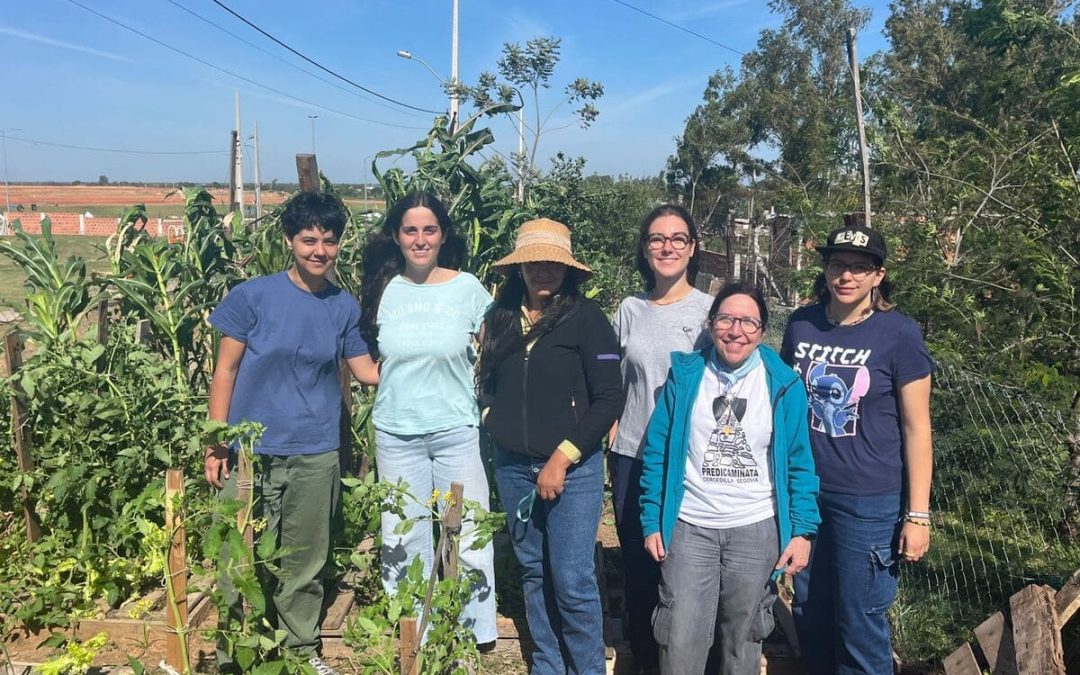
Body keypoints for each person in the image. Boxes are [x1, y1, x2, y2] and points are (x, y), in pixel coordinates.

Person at [205, 191, 380, 675]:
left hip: (315, 450)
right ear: (289, 241)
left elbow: (366, 371)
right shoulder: (253, 297)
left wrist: (434, 356)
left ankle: (302, 652)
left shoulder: (342, 306)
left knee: (305, 560)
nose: (319, 251)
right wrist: (216, 441)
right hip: (249, 451)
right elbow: (225, 371)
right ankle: (235, 655)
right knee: (237, 558)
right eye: (308, 240)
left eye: (329, 241)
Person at [640, 282, 821, 675]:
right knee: (680, 638)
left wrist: (803, 531)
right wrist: (652, 517)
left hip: (756, 531)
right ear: (711, 323)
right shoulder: (686, 376)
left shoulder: (784, 385)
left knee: (743, 641)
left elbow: (798, 462)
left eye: (748, 322)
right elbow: (657, 451)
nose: (736, 330)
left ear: (761, 330)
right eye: (726, 319)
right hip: (689, 527)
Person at [781, 224, 934, 675]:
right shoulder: (801, 324)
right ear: (825, 270)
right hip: (806, 494)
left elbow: (917, 427)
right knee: (810, 612)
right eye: (837, 264)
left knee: (859, 622)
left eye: (858, 268)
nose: (845, 276)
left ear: (878, 275)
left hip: (868, 501)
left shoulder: (899, 334)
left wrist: (918, 514)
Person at [478, 218, 624, 675]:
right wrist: (493, 421)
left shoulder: (588, 321)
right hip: (514, 467)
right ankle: (547, 665)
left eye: (552, 263)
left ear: (568, 270)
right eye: (534, 262)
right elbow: (488, 381)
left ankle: (586, 668)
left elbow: (609, 398)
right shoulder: (500, 318)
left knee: (573, 579)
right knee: (534, 574)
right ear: (519, 268)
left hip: (572, 471)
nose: (543, 271)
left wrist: (562, 457)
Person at [358, 191, 497, 647]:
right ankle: (414, 630)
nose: (420, 239)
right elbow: (363, 356)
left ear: (443, 235)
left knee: (469, 531)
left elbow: (495, 352)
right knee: (402, 535)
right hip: (396, 431)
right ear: (396, 237)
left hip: (455, 429)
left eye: (429, 230)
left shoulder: (467, 288)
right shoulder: (383, 288)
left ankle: (474, 632)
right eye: (410, 230)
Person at [608, 204, 712, 669]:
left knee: (686, 566)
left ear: (692, 248)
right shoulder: (629, 310)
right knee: (639, 565)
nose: (666, 247)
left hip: (688, 458)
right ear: (645, 249)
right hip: (632, 454)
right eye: (656, 239)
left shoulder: (712, 314)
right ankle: (646, 658)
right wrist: (613, 426)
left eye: (677, 239)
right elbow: (612, 381)